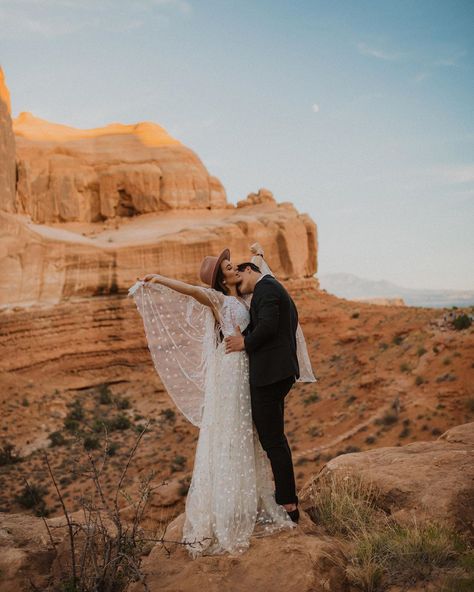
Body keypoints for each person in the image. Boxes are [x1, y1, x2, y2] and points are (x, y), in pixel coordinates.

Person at [128, 244, 316, 557]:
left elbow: (260, 276)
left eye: (235, 266)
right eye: (228, 267)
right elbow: (190, 290)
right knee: (233, 430)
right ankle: (232, 506)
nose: (234, 268)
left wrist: (260, 256)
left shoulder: (245, 295)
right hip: (233, 368)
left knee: (250, 432)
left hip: (249, 368)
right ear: (222, 279)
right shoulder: (219, 299)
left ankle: (253, 498)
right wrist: (159, 278)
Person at [224, 247, 306, 522]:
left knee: (272, 440)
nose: (242, 288)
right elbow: (263, 324)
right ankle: (285, 499)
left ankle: (288, 505)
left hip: (271, 374)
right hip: (275, 373)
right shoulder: (266, 289)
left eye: (241, 277)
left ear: (250, 271)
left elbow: (269, 326)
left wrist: (244, 343)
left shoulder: (266, 289)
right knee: (273, 438)